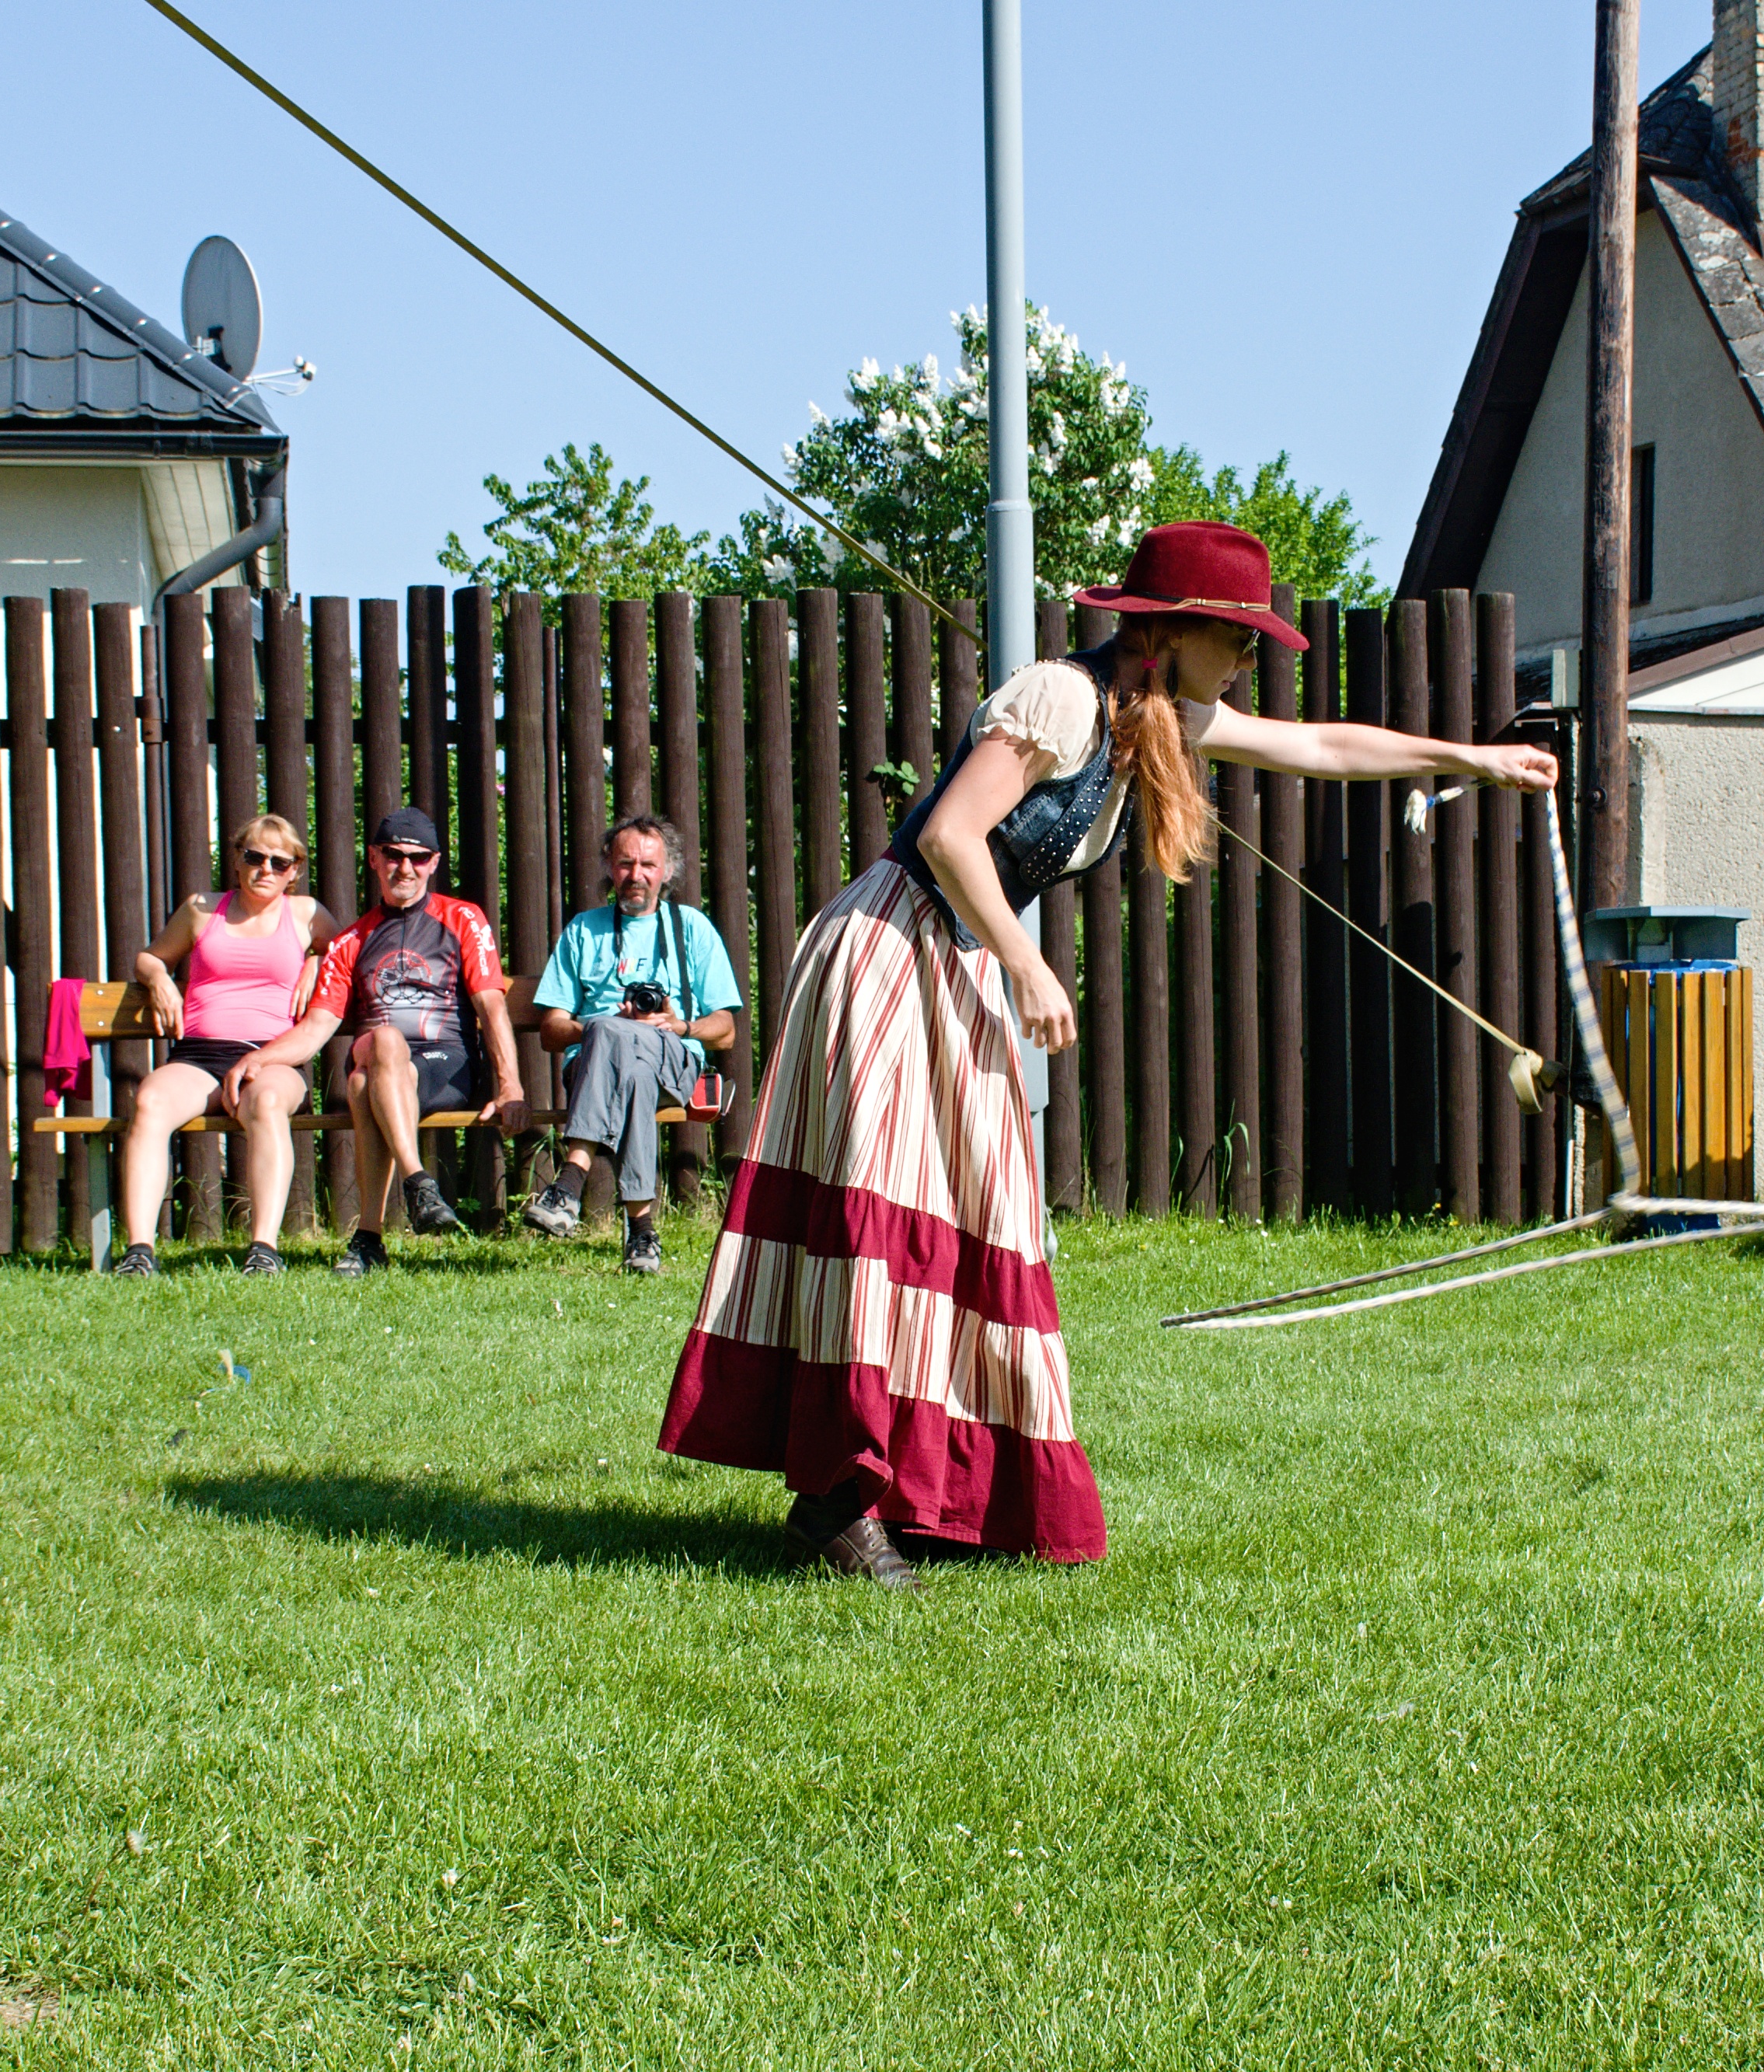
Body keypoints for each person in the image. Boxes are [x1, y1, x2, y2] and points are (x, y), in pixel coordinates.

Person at [658, 521, 1559, 1589]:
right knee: (887, 1210)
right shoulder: (1060, 698)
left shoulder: (1159, 715)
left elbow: (1319, 746)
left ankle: (921, 1484)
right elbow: (950, 836)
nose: (1249, 660)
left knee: (970, 1213)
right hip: (894, 944)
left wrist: (1472, 759)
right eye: (1238, 639)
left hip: (949, 954)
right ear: (1176, 634)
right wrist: (1029, 968)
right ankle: (837, 1500)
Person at [223, 806, 529, 1276]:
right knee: (381, 1047)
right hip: (381, 1060)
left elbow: (491, 1007)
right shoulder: (350, 941)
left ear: (434, 862)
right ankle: (416, 1186)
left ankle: (373, 1233)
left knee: (367, 1082)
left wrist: (510, 1086)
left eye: (418, 857)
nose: (405, 867)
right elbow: (315, 1031)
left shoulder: (463, 918)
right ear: (373, 858)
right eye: (393, 855)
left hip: (445, 1067)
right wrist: (256, 1060)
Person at [110, 814, 333, 1277]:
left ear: (295, 870)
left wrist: (318, 957)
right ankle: (139, 1251)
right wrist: (157, 978)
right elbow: (152, 955)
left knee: (268, 1102)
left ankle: (264, 1250)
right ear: (236, 860)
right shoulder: (201, 910)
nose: (264, 869)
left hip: (270, 1058)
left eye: (279, 861)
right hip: (199, 1056)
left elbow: (353, 950)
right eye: (254, 856)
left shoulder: (305, 914)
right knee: (149, 1101)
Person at [520, 815, 744, 1275]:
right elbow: (550, 1031)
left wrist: (678, 1025)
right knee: (624, 1056)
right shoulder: (584, 930)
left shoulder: (691, 928)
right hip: (596, 1066)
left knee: (617, 1037)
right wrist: (601, 1028)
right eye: (625, 864)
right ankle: (643, 1236)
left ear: (668, 871)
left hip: (673, 1057)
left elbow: (726, 1029)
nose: (636, 875)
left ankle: (569, 1181)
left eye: (647, 864)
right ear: (608, 865)